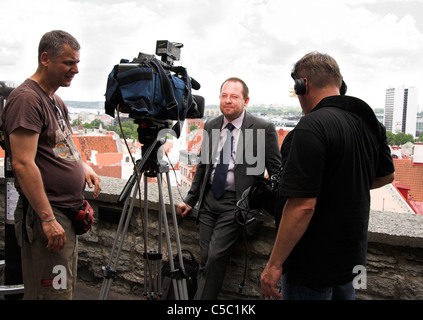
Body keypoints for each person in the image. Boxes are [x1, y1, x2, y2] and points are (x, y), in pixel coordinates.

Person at [260, 52, 395, 300]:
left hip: (312, 266)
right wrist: (341, 186)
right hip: (352, 262)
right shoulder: (368, 122)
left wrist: (274, 265)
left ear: (303, 85)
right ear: (339, 84)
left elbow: (302, 206)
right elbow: (387, 176)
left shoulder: (310, 127)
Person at [1, 30, 101, 300]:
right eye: (69, 62)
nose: (76, 69)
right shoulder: (26, 99)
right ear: (45, 58)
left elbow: (64, 143)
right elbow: (22, 163)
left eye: (77, 62)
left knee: (62, 289)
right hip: (49, 213)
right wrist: (46, 218)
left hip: (65, 213)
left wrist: (83, 167)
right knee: (50, 294)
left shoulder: (55, 100)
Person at [177, 77, 281, 299]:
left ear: (246, 100)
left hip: (236, 205)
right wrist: (190, 200)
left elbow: (276, 173)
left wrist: (267, 207)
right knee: (206, 257)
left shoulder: (262, 128)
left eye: (234, 96)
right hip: (208, 202)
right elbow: (203, 166)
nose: (228, 100)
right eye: (224, 96)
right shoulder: (212, 125)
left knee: (214, 257)